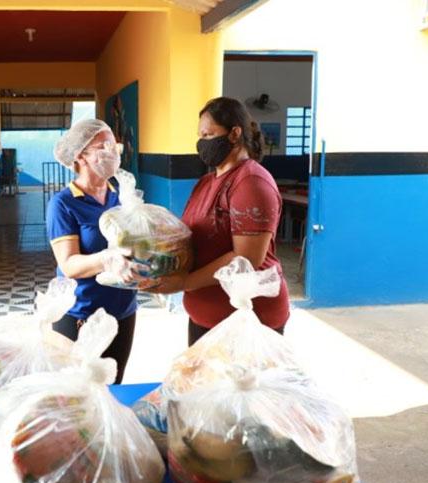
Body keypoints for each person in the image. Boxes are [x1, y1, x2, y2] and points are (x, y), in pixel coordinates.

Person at [148, 97, 290, 345]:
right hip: (207, 319)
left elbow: (247, 258)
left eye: (208, 134)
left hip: (247, 321)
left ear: (234, 134)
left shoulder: (250, 182)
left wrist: (185, 282)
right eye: (200, 136)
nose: (202, 143)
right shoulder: (207, 182)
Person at [46, 119, 144, 383]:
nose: (113, 152)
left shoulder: (122, 197)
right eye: (104, 146)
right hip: (81, 313)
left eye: (114, 146)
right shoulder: (63, 203)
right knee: (79, 390)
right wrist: (107, 259)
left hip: (123, 310)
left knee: (113, 383)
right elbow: (68, 265)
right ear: (81, 155)